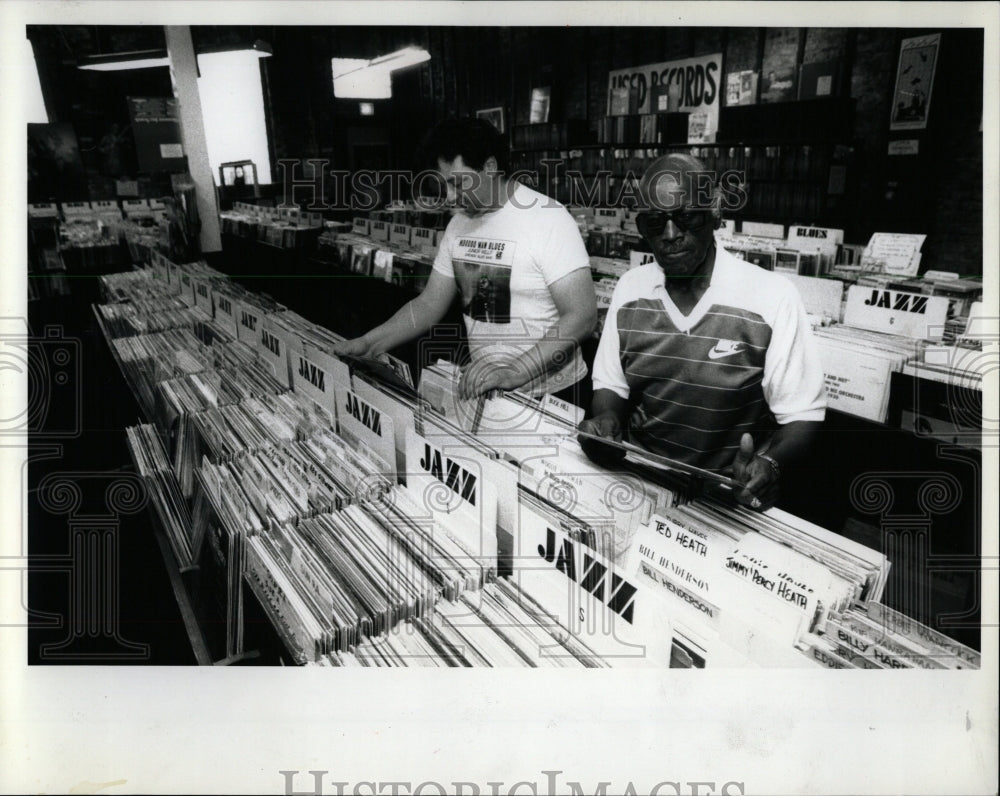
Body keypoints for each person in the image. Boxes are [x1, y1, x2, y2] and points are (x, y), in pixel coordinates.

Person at [578, 153, 826, 511]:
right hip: (639, 482)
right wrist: (605, 422)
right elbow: (611, 387)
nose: (669, 234)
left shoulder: (772, 297)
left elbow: (802, 414)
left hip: (726, 494)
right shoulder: (630, 288)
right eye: (653, 222)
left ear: (715, 213)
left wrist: (770, 465)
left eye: (686, 217)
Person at [334, 117, 597, 404]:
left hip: (554, 394)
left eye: (457, 184)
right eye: (445, 185)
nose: (449, 197)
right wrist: (370, 344)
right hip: (492, 390)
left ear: (490, 167)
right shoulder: (458, 225)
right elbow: (428, 304)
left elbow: (581, 316)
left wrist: (515, 371)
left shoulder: (549, 218)